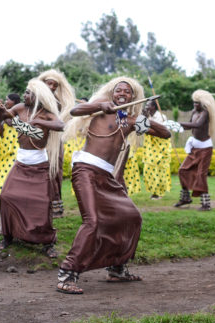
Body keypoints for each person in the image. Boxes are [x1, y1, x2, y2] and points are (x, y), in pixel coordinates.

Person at [56, 77, 170, 294]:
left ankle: (117, 268)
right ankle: (67, 273)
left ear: (132, 97)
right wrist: (100, 105)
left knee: (130, 216)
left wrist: (141, 120)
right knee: (93, 222)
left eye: (127, 92)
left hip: (107, 177)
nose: (122, 94)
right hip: (86, 170)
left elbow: (166, 134)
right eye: (119, 90)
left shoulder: (129, 120)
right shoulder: (99, 107)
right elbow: (75, 111)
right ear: (112, 92)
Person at [0, 80, 64, 258]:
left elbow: (60, 125)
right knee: (6, 196)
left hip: (40, 165)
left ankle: (47, 242)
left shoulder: (47, 113)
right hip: (20, 163)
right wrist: (0, 114)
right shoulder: (19, 108)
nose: (25, 95)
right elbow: (4, 120)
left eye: (29, 93)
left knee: (42, 202)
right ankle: (7, 236)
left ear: (39, 97)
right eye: (25, 92)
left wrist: (39, 122)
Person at [38, 69, 76, 217]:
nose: (53, 87)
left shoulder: (58, 102)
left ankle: (55, 206)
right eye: (50, 84)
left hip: (54, 140)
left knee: (55, 169)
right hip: (38, 139)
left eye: (55, 85)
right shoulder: (34, 98)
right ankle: (40, 205)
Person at [175, 90, 215, 210]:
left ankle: (206, 204)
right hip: (194, 148)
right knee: (183, 170)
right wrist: (174, 126)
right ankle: (185, 198)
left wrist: (178, 123)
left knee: (201, 175)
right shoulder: (194, 112)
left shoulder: (205, 113)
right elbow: (189, 125)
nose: (195, 105)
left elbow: (197, 125)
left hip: (205, 149)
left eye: (197, 103)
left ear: (203, 103)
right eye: (194, 103)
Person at [0, 93, 21, 199]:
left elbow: (15, 124)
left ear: (14, 102)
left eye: (7, 100)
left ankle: (16, 195)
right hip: (6, 149)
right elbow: (0, 132)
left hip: (17, 149)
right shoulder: (4, 115)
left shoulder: (20, 113)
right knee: (4, 171)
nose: (5, 102)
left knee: (14, 171)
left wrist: (10, 119)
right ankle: (5, 195)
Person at [142, 100, 171, 199]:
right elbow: (142, 129)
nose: (146, 107)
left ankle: (159, 192)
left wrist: (147, 122)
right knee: (148, 169)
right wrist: (145, 118)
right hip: (150, 146)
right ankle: (153, 191)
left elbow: (159, 131)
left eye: (148, 105)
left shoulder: (161, 117)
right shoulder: (146, 116)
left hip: (160, 146)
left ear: (154, 107)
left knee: (159, 170)